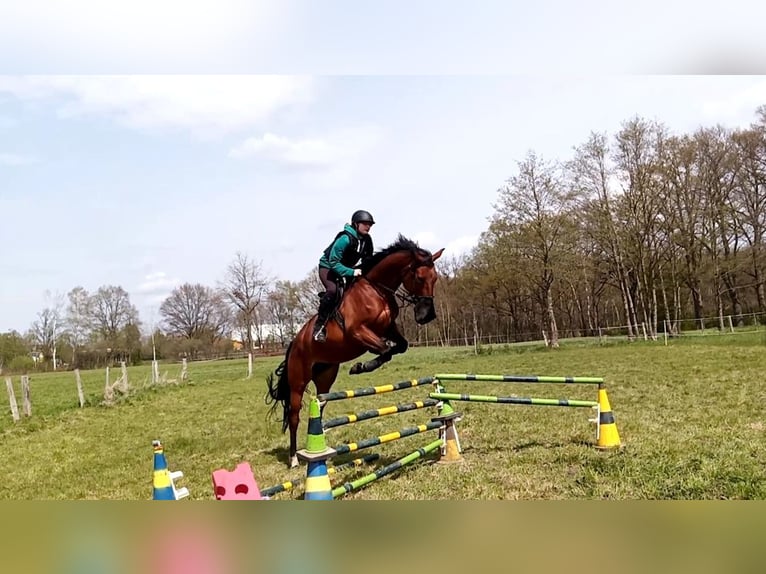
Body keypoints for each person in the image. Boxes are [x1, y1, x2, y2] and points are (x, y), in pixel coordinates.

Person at [312, 210, 375, 342]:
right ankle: (319, 328)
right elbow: (333, 262)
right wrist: (352, 272)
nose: (368, 227)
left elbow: (368, 260)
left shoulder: (366, 240)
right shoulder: (345, 239)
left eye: (370, 224)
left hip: (347, 268)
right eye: (365, 224)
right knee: (333, 290)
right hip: (328, 268)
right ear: (355, 224)